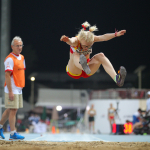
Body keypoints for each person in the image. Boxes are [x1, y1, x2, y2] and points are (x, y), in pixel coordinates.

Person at [60, 21, 127, 87]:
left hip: (88, 69)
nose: (86, 48)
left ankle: (117, 79)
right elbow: (71, 41)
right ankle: (83, 67)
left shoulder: (92, 38)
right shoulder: (77, 40)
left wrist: (115, 34)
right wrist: (67, 40)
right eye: (84, 46)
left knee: (101, 55)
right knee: (76, 54)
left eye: (89, 46)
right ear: (80, 41)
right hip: (74, 70)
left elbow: (103, 37)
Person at [0, 36, 25, 140]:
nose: (19, 47)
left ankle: (0, 126)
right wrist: (10, 91)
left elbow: (21, 72)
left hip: (18, 88)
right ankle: (12, 133)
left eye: (20, 45)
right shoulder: (9, 59)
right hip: (12, 88)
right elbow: (7, 75)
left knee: (11, 109)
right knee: (13, 110)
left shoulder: (22, 57)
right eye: (17, 46)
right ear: (12, 46)